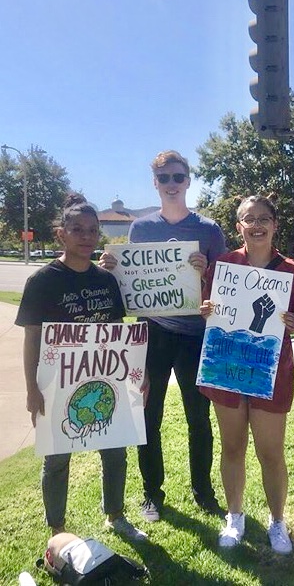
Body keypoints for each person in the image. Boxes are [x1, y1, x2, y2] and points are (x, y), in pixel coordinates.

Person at [101, 150, 226, 521]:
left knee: (198, 419)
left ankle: (203, 491)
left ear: (188, 181)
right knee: (149, 417)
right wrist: (111, 268)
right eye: (164, 178)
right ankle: (152, 494)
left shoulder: (208, 229)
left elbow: (225, 284)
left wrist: (207, 271)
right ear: (155, 184)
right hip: (152, 334)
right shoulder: (141, 229)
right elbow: (133, 282)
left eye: (178, 177)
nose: (172, 184)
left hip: (195, 335)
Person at [15, 193, 148, 541]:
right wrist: (31, 389)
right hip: (58, 384)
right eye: (77, 230)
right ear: (62, 234)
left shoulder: (106, 280)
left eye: (92, 230)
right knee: (57, 457)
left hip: (107, 378)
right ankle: (57, 528)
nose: (86, 236)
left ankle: (115, 515)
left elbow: (120, 330)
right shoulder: (42, 281)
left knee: (115, 447)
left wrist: (139, 373)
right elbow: (32, 339)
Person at [199, 195, 294, 554]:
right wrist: (207, 309)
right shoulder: (223, 266)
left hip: (270, 372)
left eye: (264, 218)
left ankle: (278, 522)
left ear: (275, 225)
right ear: (238, 227)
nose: (257, 224)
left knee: (271, 452)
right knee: (232, 447)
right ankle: (235, 516)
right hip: (228, 367)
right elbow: (209, 310)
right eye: (250, 219)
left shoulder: (293, 272)